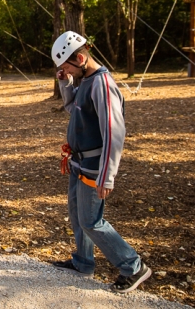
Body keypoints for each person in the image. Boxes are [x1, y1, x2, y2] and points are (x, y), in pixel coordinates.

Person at [51, 31, 151, 293]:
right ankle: (83, 261)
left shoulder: (101, 84)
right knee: (77, 214)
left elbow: (114, 132)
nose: (64, 70)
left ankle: (133, 265)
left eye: (67, 66)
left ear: (81, 58)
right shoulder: (85, 80)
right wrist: (66, 82)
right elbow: (75, 109)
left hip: (94, 167)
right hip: (78, 162)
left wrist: (107, 175)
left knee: (92, 221)